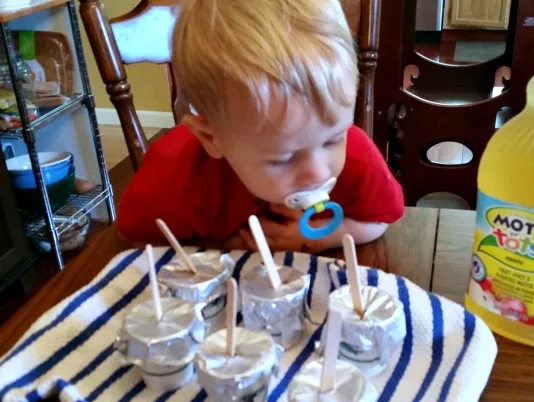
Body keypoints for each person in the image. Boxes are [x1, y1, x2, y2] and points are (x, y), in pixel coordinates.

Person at [117, 0, 404, 252]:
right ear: (210, 138)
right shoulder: (174, 175)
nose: (318, 172)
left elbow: (381, 220)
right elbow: (142, 240)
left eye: (332, 140)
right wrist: (219, 248)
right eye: (283, 158)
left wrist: (322, 238)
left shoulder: (357, 155)